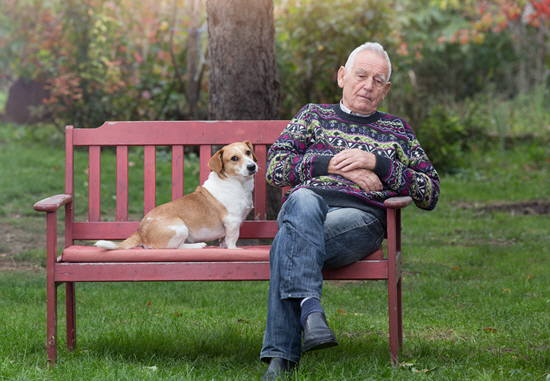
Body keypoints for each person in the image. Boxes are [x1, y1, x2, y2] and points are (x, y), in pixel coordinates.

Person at [259, 42, 440, 380]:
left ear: (385, 90)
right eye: (361, 75)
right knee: (303, 202)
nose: (368, 85)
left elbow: (430, 191)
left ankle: (282, 358)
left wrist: (380, 164)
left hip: (358, 219)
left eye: (377, 80)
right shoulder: (313, 115)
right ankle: (311, 313)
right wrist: (333, 165)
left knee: (287, 242)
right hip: (307, 206)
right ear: (342, 76)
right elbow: (275, 168)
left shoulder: (397, 131)